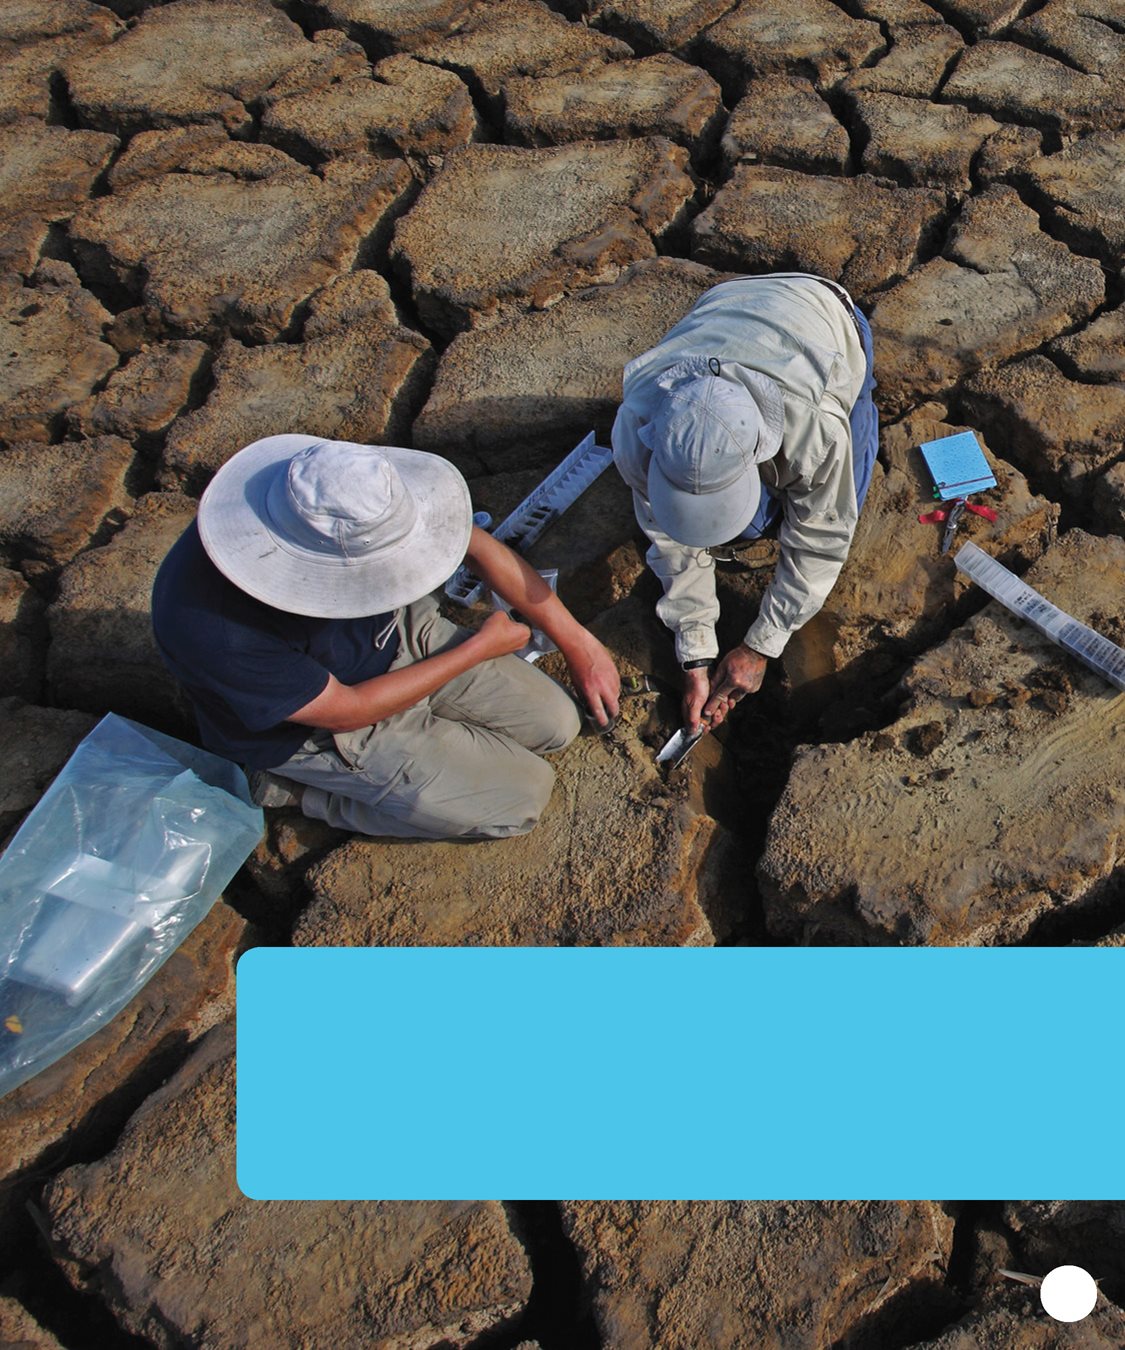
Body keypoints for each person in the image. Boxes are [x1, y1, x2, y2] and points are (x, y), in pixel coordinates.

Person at [151, 435, 620, 840]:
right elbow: (345, 711)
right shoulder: (213, 629)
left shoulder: (342, 484)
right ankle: (301, 793)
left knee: (558, 723)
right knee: (522, 799)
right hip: (322, 726)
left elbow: (476, 546)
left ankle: (438, 746)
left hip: (398, 634)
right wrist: (479, 648)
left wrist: (580, 644)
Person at [612, 272, 878, 734]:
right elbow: (666, 532)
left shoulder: (814, 428)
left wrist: (762, 646)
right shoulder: (638, 422)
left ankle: (864, 409)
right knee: (749, 526)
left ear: (760, 450)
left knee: (843, 486)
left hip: (829, 317)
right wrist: (694, 651)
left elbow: (820, 537)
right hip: (727, 300)